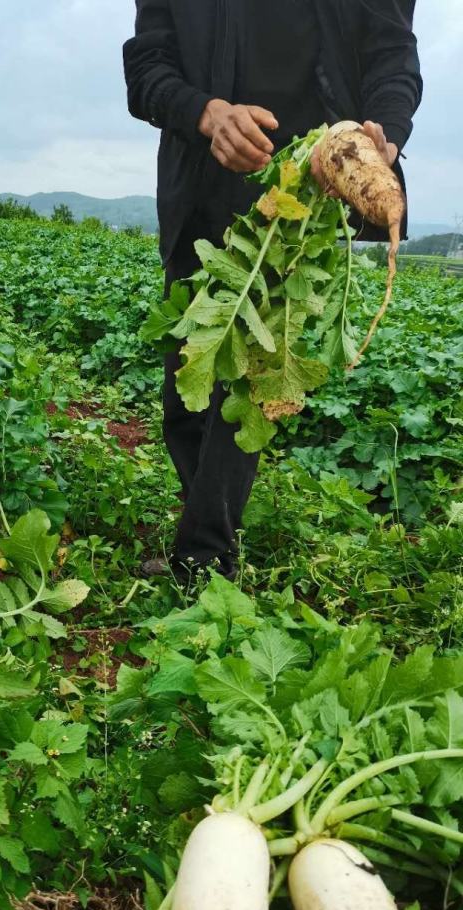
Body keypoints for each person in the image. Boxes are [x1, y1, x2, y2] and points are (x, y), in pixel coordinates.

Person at [123, 0, 422, 582]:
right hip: (200, 177)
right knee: (186, 375)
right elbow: (147, 68)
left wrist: (382, 133)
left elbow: (393, 54)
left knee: (252, 373)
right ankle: (204, 523)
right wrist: (206, 114)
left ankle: (205, 557)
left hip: (306, 192)